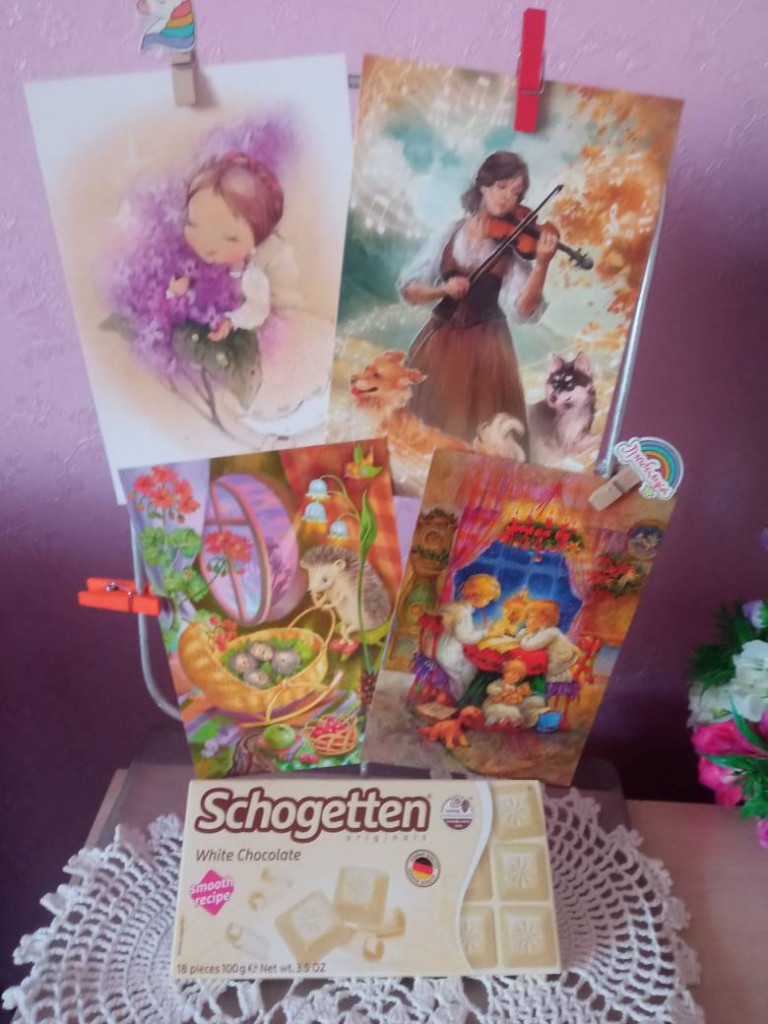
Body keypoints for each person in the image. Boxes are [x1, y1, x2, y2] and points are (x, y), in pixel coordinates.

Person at [398, 151, 558, 448]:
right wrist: (442, 291)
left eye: (516, 193)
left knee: (482, 436)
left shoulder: (512, 247)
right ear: (483, 184)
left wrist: (542, 266)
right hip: (438, 344)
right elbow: (410, 291)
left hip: (488, 350)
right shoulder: (450, 233)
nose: (507, 198)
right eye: (501, 186)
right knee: (425, 430)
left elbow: (524, 311)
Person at [167, 153, 331, 439]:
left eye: (229, 237)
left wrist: (232, 321)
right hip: (220, 335)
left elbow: (257, 309)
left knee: (273, 386)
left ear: (256, 237)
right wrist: (179, 291)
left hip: (257, 335)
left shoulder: (250, 276)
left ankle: (282, 431)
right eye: (194, 225)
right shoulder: (200, 269)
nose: (209, 245)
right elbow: (196, 296)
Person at [434, 574, 500, 704]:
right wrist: (485, 632)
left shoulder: (454, 607)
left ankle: (458, 700)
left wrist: (481, 628)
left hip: (443, 647)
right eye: (488, 599)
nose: (488, 603)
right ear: (477, 596)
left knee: (459, 676)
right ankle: (462, 702)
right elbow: (465, 637)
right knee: (470, 671)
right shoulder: (463, 613)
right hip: (450, 653)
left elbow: (460, 629)